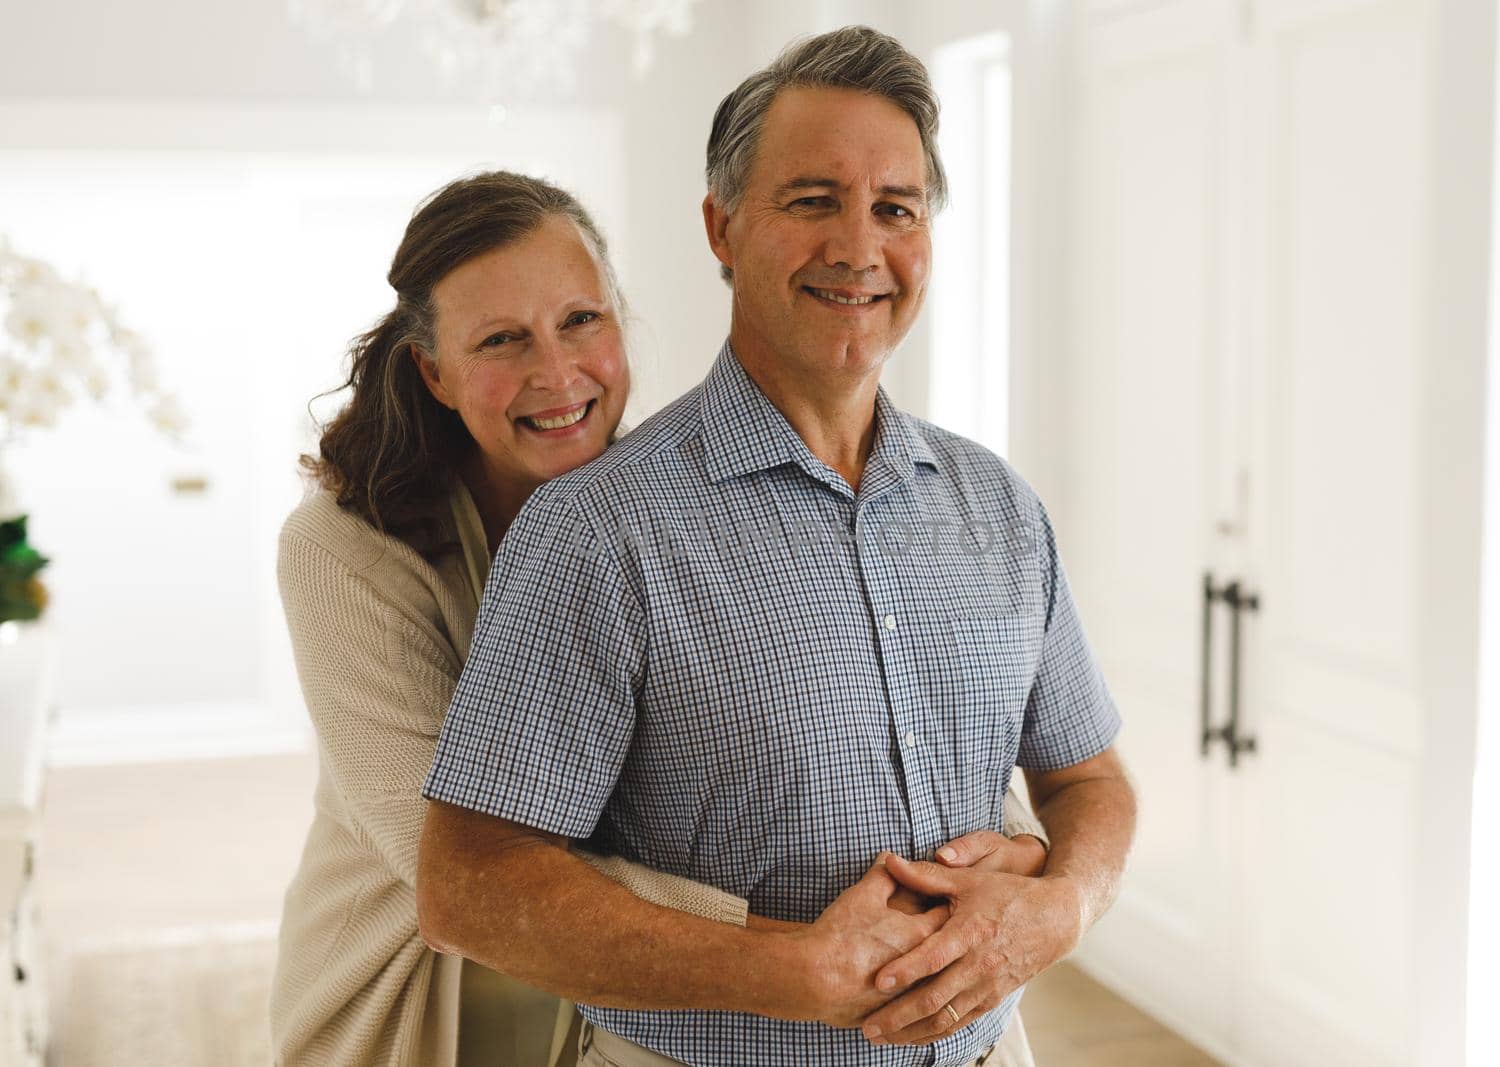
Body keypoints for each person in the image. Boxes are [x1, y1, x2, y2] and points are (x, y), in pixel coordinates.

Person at [415, 25, 1138, 1067]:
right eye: (811, 201)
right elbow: (470, 882)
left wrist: (1061, 906)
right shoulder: (597, 532)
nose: (858, 247)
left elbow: (1091, 782)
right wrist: (794, 971)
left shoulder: (1000, 508)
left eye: (896, 208)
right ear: (722, 227)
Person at [268, 170, 1052, 1067]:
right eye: (501, 340)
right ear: (433, 372)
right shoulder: (340, 550)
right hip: (428, 986)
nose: (556, 374)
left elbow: (879, 716)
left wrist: (1008, 855)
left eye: (581, 321)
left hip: (631, 1004)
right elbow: (458, 868)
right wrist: (806, 944)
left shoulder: (662, 504)